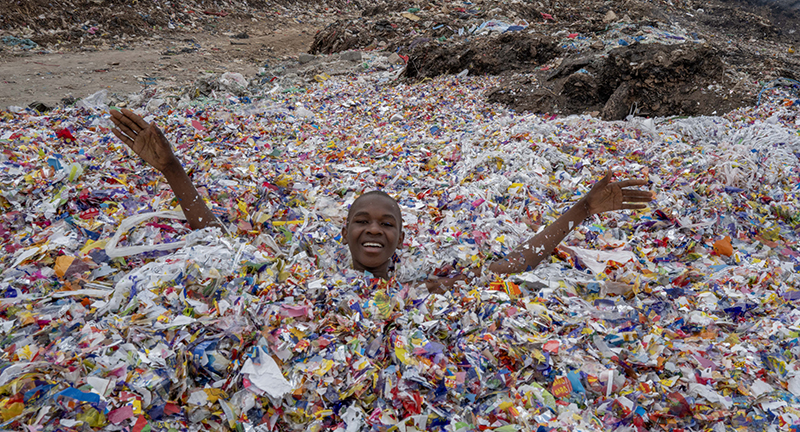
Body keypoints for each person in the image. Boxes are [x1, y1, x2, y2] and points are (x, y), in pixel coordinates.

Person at [111, 108, 653, 291]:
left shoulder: (422, 281)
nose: (373, 230)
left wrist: (580, 210)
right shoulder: (309, 273)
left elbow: (515, 262)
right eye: (362, 222)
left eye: (386, 224)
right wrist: (174, 171)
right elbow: (220, 241)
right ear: (344, 232)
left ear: (401, 237)